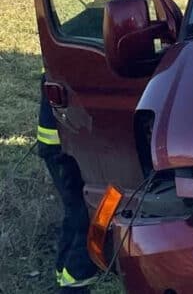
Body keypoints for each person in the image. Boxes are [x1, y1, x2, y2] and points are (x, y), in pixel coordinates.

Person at [36, 77, 101, 291]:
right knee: (90, 217)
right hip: (66, 146)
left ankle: (63, 276)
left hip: (62, 143)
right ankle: (74, 286)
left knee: (75, 213)